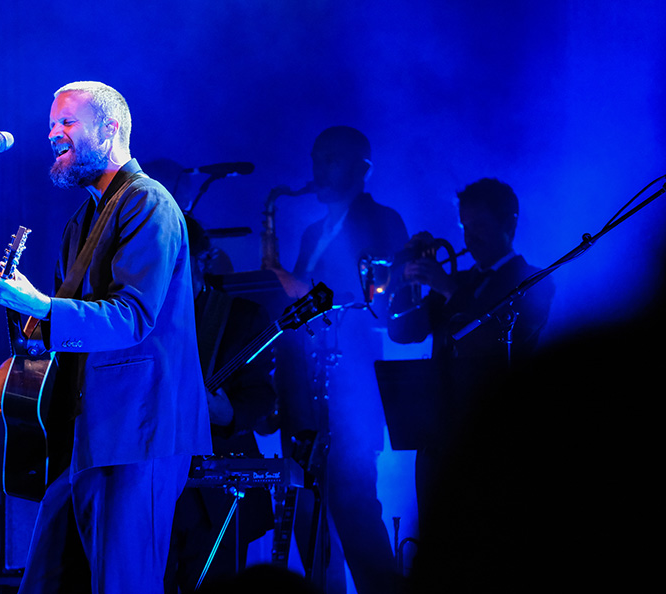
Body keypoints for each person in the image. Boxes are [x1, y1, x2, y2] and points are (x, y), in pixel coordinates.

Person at [0, 81, 212, 594]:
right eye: (52, 124)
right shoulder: (83, 219)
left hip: (137, 435)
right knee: (45, 583)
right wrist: (13, 368)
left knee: (124, 585)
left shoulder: (148, 203)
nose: (52, 134)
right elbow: (73, 324)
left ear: (110, 129)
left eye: (67, 123)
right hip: (88, 436)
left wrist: (38, 304)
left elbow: (131, 317)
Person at [269, 126, 407, 594]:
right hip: (303, 392)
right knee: (308, 513)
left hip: (352, 395)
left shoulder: (384, 222)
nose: (317, 169)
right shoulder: (312, 232)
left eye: (331, 159)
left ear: (362, 168)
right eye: (316, 157)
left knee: (353, 505)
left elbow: (380, 306)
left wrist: (297, 289)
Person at [387, 177, 555, 535]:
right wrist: (409, 283)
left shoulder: (533, 279)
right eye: (464, 226)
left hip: (493, 434)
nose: (468, 237)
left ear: (509, 224)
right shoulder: (459, 280)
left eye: (479, 226)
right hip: (438, 436)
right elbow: (405, 332)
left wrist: (447, 287)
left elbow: (493, 339)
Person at [166, 215, 277, 593]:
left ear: (202, 259)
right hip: (154, 486)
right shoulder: (138, 320)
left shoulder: (240, 317)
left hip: (218, 495)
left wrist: (228, 413)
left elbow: (262, 395)